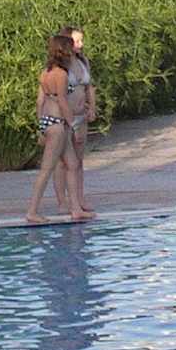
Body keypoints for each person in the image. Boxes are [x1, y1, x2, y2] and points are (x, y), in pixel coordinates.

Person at [26, 33, 89, 225]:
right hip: (57, 124)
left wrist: (41, 127)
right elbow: (62, 101)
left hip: (49, 121)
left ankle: (76, 209)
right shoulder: (61, 74)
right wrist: (73, 124)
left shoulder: (46, 72)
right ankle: (32, 211)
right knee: (47, 169)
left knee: (72, 164)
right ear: (64, 51)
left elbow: (41, 101)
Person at [58, 24, 99, 220]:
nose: (81, 44)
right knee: (64, 161)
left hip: (81, 115)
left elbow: (89, 87)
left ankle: (80, 199)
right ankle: (62, 201)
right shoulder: (61, 65)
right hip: (67, 116)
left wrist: (92, 107)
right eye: (77, 41)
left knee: (79, 160)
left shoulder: (83, 61)